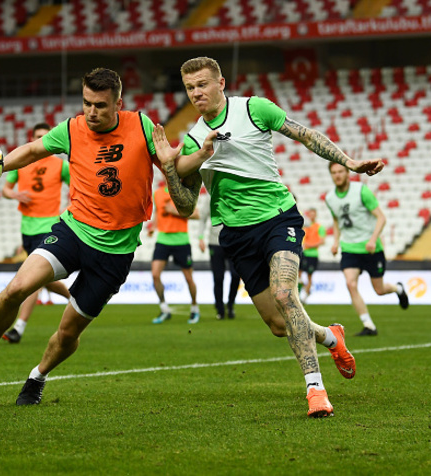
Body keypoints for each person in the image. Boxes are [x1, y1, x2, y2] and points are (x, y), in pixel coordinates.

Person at [0, 68, 200, 406]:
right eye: (87, 103)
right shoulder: (73, 129)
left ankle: (37, 377)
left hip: (115, 253)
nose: (91, 112)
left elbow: (175, 166)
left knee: (67, 332)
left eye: (101, 106)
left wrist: (188, 157)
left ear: (118, 103)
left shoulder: (142, 126)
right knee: (15, 289)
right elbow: (34, 150)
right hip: (73, 231)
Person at [153, 56, 386, 418]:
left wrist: (350, 162)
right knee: (280, 325)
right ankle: (330, 336)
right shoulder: (196, 138)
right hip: (235, 235)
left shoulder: (253, 109)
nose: (196, 92)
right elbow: (184, 206)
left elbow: (306, 135)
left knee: (284, 293)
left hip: (278, 219)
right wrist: (170, 167)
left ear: (221, 83)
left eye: (202, 84)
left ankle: (315, 389)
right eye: (189, 87)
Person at [0, 122, 72, 344]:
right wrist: (15, 195)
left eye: (46, 136)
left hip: (49, 226)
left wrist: (67, 210)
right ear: (32, 139)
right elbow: (5, 189)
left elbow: (77, 189)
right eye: (38, 136)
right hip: (27, 227)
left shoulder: (60, 165)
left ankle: (18, 328)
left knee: (32, 279)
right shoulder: (22, 164)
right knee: (44, 281)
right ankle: (77, 299)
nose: (42, 139)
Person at [326, 162, 409, 336]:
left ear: (348, 173)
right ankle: (368, 325)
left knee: (379, 290)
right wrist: (335, 242)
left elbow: (381, 218)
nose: (337, 175)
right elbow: (336, 220)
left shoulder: (362, 191)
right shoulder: (330, 198)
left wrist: (373, 240)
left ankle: (398, 289)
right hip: (349, 247)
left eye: (341, 171)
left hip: (371, 247)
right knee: (350, 283)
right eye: (334, 172)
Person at [149, 180, 201, 324]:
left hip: (181, 240)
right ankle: (164, 308)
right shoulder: (158, 193)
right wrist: (153, 227)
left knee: (189, 278)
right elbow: (157, 214)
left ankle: (195, 308)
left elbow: (196, 214)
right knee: (155, 275)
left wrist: (175, 211)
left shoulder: (183, 193)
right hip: (163, 239)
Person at [197, 187, 240, 319]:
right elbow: (202, 218)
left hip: (233, 242)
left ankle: (230, 304)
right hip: (214, 242)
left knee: (236, 275)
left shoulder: (234, 194)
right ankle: (220, 309)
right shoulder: (210, 197)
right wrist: (200, 238)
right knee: (218, 277)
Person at [299, 207, 325, 304]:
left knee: (309, 276)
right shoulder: (306, 227)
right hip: (303, 253)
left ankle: (305, 297)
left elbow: (322, 241)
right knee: (298, 274)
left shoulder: (319, 227)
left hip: (313, 254)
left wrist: (310, 245)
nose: (312, 216)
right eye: (310, 214)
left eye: (313, 214)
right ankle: (305, 289)